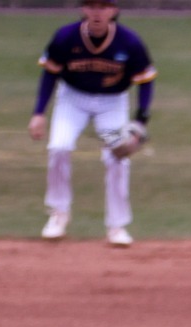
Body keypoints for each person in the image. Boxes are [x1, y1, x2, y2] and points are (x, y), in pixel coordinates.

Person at [28, 0, 157, 247]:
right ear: (83, 9)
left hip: (112, 104)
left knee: (117, 158)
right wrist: (39, 113)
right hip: (72, 100)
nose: (98, 12)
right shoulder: (66, 37)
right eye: (92, 5)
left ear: (114, 11)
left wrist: (140, 121)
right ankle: (58, 214)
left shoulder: (129, 42)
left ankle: (117, 226)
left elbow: (146, 80)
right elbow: (50, 73)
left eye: (104, 6)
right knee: (59, 148)